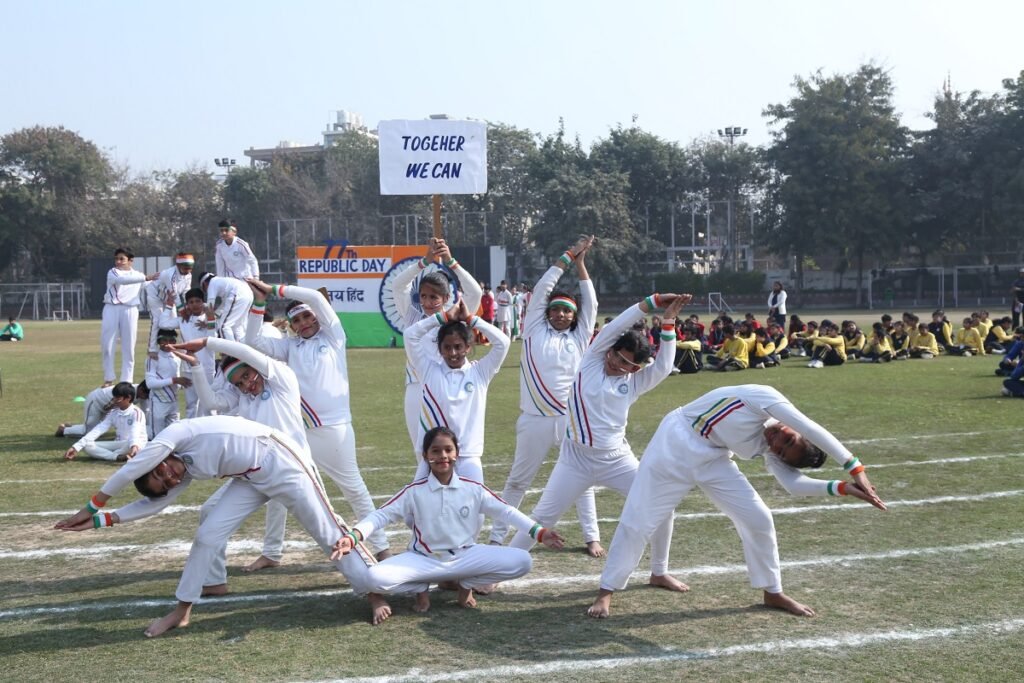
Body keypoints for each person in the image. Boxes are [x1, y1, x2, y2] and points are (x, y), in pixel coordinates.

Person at [54, 415, 375, 638]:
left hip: (281, 460)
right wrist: (102, 521)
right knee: (207, 536)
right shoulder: (182, 471)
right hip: (251, 477)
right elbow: (156, 504)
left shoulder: (176, 435)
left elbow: (132, 468)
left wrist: (92, 505)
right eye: (166, 483)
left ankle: (372, 588)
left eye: (161, 473)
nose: (170, 478)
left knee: (326, 530)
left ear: (156, 460)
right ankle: (182, 611)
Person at [587, 384, 886, 619]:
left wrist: (844, 488)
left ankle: (772, 591)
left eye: (782, 450)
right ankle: (606, 590)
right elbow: (809, 427)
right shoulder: (766, 398)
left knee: (759, 518)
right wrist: (855, 468)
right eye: (788, 439)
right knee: (638, 520)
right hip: (675, 441)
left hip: (714, 458)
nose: (776, 442)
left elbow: (793, 485)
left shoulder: (769, 446)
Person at [508, 293, 690, 597]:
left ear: (635, 369)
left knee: (662, 506)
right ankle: (497, 571)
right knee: (541, 518)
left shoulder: (634, 382)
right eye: (617, 356)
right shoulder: (591, 360)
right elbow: (616, 326)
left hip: (616, 459)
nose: (617, 364)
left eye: (627, 364)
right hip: (574, 459)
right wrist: (652, 302)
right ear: (610, 349)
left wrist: (669, 322)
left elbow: (662, 366)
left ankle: (659, 571)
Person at [333, 427, 565, 624]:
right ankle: (420, 588)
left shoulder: (472, 488)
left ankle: (466, 584)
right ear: (425, 455)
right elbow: (380, 516)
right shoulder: (414, 491)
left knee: (523, 561)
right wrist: (353, 537)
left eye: (448, 450)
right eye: (436, 451)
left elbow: (506, 511)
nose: (443, 456)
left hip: (466, 557)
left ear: (457, 454)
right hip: (423, 560)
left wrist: (540, 532)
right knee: (373, 578)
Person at [246, 280, 390, 560]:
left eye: (307, 316)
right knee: (279, 487)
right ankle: (271, 552)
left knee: (354, 489)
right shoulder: (290, 347)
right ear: (291, 325)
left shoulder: (334, 337)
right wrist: (259, 302)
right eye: (297, 320)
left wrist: (274, 290)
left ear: (317, 316)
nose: (303, 323)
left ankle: (382, 549)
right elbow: (253, 342)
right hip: (299, 432)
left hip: (335, 429)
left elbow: (315, 297)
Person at [489, 236, 605, 557]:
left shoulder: (580, 337)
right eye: (555, 310)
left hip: (570, 420)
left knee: (581, 480)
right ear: (546, 313)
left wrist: (581, 266)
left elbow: (591, 304)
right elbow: (542, 290)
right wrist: (568, 256)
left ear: (575, 316)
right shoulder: (533, 330)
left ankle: (592, 537)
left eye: (567, 311)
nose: (561, 315)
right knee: (517, 482)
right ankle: (497, 538)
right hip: (534, 420)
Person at [404, 297, 510, 484]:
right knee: (418, 503)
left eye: (458, 347)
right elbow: (410, 335)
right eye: (447, 347)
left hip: (468, 456)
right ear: (439, 349)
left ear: (468, 347)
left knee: (475, 503)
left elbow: (503, 342)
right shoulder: (428, 370)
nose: (453, 353)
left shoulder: (480, 372)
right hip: (434, 457)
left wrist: (471, 319)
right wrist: (442, 317)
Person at [390, 238, 482, 452]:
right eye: (423, 296)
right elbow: (398, 286)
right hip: (417, 388)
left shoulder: (456, 317)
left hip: (449, 386)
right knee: (422, 451)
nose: (427, 302)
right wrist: (424, 262)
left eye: (434, 297)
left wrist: (451, 262)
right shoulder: (412, 316)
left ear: (447, 297)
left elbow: (475, 293)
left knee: (454, 449)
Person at [157, 287, 214, 417]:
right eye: (191, 302)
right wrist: (169, 305)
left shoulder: (210, 317)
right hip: (188, 368)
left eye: (198, 301)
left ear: (203, 302)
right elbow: (163, 323)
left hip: (207, 368)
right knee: (191, 404)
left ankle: (208, 428)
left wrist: (210, 321)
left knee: (208, 403)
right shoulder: (183, 319)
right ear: (187, 304)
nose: (195, 305)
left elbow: (214, 338)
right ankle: (191, 428)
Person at [101, 248, 155, 385]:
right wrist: (146, 277)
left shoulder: (137, 275)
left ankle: (127, 379)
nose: (118, 262)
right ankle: (108, 378)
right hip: (111, 308)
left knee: (129, 346)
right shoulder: (113, 272)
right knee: (107, 345)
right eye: (116, 259)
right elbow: (123, 280)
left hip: (130, 309)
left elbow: (151, 285)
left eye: (122, 259)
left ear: (130, 261)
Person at [62, 382, 147, 462]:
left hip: (133, 444)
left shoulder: (137, 413)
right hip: (118, 444)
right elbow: (99, 429)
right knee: (87, 445)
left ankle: (117, 454)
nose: (114, 400)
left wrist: (134, 445)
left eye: (118, 398)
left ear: (128, 398)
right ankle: (117, 457)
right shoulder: (114, 412)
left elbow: (135, 431)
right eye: (114, 397)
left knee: (131, 443)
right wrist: (76, 447)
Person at [144, 253, 195, 356]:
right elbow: (174, 293)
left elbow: (186, 292)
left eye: (190, 268)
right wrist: (182, 311)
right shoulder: (170, 274)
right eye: (186, 267)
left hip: (169, 298)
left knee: (173, 322)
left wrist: (189, 307)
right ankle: (152, 349)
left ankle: (175, 347)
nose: (188, 270)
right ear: (178, 265)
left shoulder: (188, 275)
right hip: (155, 296)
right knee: (157, 321)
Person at [145, 329, 191, 433]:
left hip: (174, 402)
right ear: (158, 341)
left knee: (174, 434)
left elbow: (177, 381)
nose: (168, 344)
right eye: (164, 340)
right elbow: (150, 383)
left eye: (171, 341)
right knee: (157, 435)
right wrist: (175, 380)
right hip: (158, 401)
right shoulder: (153, 358)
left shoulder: (177, 357)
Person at [197, 272, 254, 343]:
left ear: (205, 283)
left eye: (204, 289)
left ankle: (231, 349)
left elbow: (210, 306)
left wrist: (207, 321)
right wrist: (210, 319)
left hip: (237, 294)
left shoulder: (212, 283)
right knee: (237, 326)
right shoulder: (223, 283)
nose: (206, 291)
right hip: (248, 294)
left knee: (223, 326)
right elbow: (222, 308)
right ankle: (243, 348)